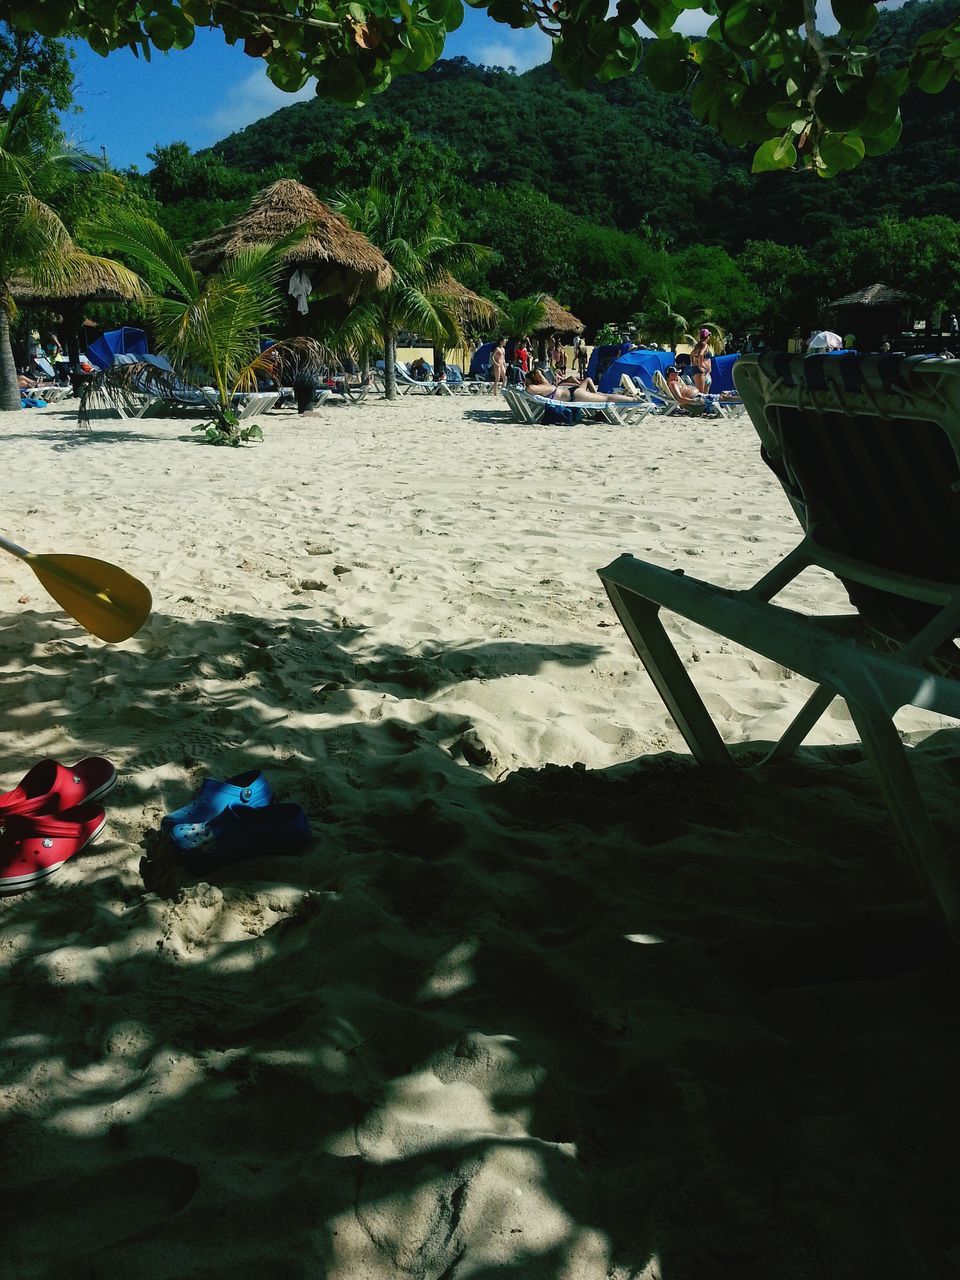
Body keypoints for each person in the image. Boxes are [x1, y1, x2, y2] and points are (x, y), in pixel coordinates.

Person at [522, 370, 649, 404]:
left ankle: (634, 400)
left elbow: (530, 389)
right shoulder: (544, 385)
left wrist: (527, 384)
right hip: (573, 393)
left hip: (574, 395)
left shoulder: (539, 387)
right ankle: (627, 396)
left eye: (526, 380)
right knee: (603, 396)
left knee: (606, 399)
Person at [663, 366, 731, 416]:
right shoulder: (673, 383)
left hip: (699, 396)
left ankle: (735, 399)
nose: (677, 375)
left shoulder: (676, 382)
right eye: (676, 374)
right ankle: (738, 399)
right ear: (671, 374)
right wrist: (695, 401)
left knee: (723, 396)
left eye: (677, 374)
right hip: (696, 398)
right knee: (723, 397)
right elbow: (680, 399)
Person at [689, 328, 713, 394]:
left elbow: (691, 356)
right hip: (701, 372)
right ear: (707, 336)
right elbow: (700, 354)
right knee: (701, 393)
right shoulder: (704, 345)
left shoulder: (697, 345)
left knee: (704, 394)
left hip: (702, 372)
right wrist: (701, 365)